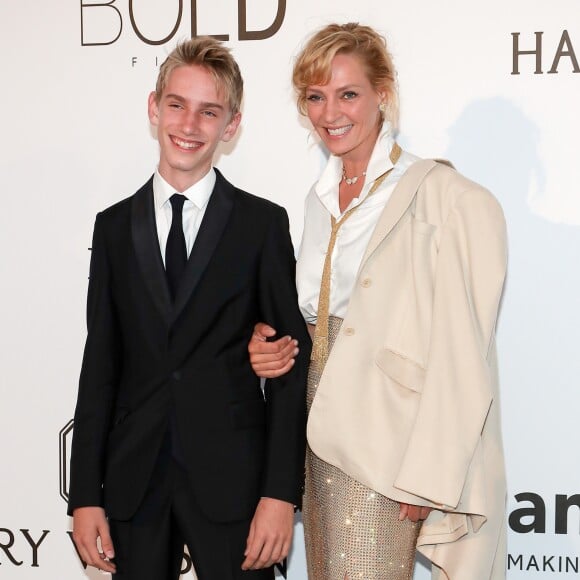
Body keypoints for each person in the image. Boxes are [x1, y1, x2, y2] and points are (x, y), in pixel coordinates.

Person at [248, 23, 507, 579]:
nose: (330, 113)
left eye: (348, 94)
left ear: (382, 93)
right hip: (318, 429)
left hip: (388, 445)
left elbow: (463, 350)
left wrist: (432, 473)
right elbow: (316, 317)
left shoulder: (442, 197)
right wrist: (265, 344)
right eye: (315, 97)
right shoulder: (319, 198)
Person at [67, 36, 310, 580]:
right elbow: (100, 366)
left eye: (209, 112)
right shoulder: (112, 228)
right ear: (155, 109)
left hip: (235, 488)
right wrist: (85, 496)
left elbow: (291, 366)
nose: (189, 124)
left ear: (231, 125)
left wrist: (278, 494)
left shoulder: (260, 226)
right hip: (133, 485)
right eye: (177, 104)